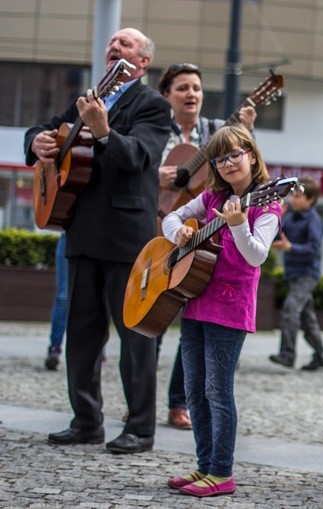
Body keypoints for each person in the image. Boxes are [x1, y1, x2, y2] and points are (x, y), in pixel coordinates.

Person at [24, 28, 170, 453]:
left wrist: (104, 133)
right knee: (82, 335)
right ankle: (86, 422)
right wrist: (36, 141)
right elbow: (48, 129)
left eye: (125, 44)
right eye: (112, 43)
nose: (114, 47)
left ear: (142, 62)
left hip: (127, 237)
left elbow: (140, 158)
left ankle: (140, 429)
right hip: (81, 230)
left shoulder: (153, 105)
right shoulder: (86, 99)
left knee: (134, 337)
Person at [163, 124, 282, 497]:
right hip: (195, 297)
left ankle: (222, 472)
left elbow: (256, 255)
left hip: (230, 305)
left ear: (250, 153)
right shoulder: (212, 196)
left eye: (234, 154)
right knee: (194, 390)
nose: (228, 162)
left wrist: (240, 225)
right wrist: (178, 234)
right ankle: (203, 466)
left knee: (218, 389)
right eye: (220, 157)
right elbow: (170, 217)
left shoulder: (268, 203)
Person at [155, 62, 256, 430]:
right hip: (162, 228)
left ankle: (178, 402)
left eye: (196, 87)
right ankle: (139, 395)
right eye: (182, 87)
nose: (192, 94)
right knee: (152, 317)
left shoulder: (215, 131)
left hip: (203, 239)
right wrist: (155, 175)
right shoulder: (154, 128)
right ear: (168, 95)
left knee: (189, 319)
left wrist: (247, 130)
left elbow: (238, 163)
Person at [268, 176, 323, 371]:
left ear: (311, 200)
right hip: (294, 273)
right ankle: (321, 355)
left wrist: (290, 247)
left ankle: (287, 354)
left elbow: (314, 248)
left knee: (290, 310)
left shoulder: (313, 220)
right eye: (293, 196)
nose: (294, 199)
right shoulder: (291, 217)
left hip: (307, 274)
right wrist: (277, 215)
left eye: (298, 196)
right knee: (307, 319)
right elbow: (279, 235)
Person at [44, 233, 67, 370]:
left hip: (102, 238)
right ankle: (54, 347)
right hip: (71, 235)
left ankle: (97, 351)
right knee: (63, 298)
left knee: (99, 298)